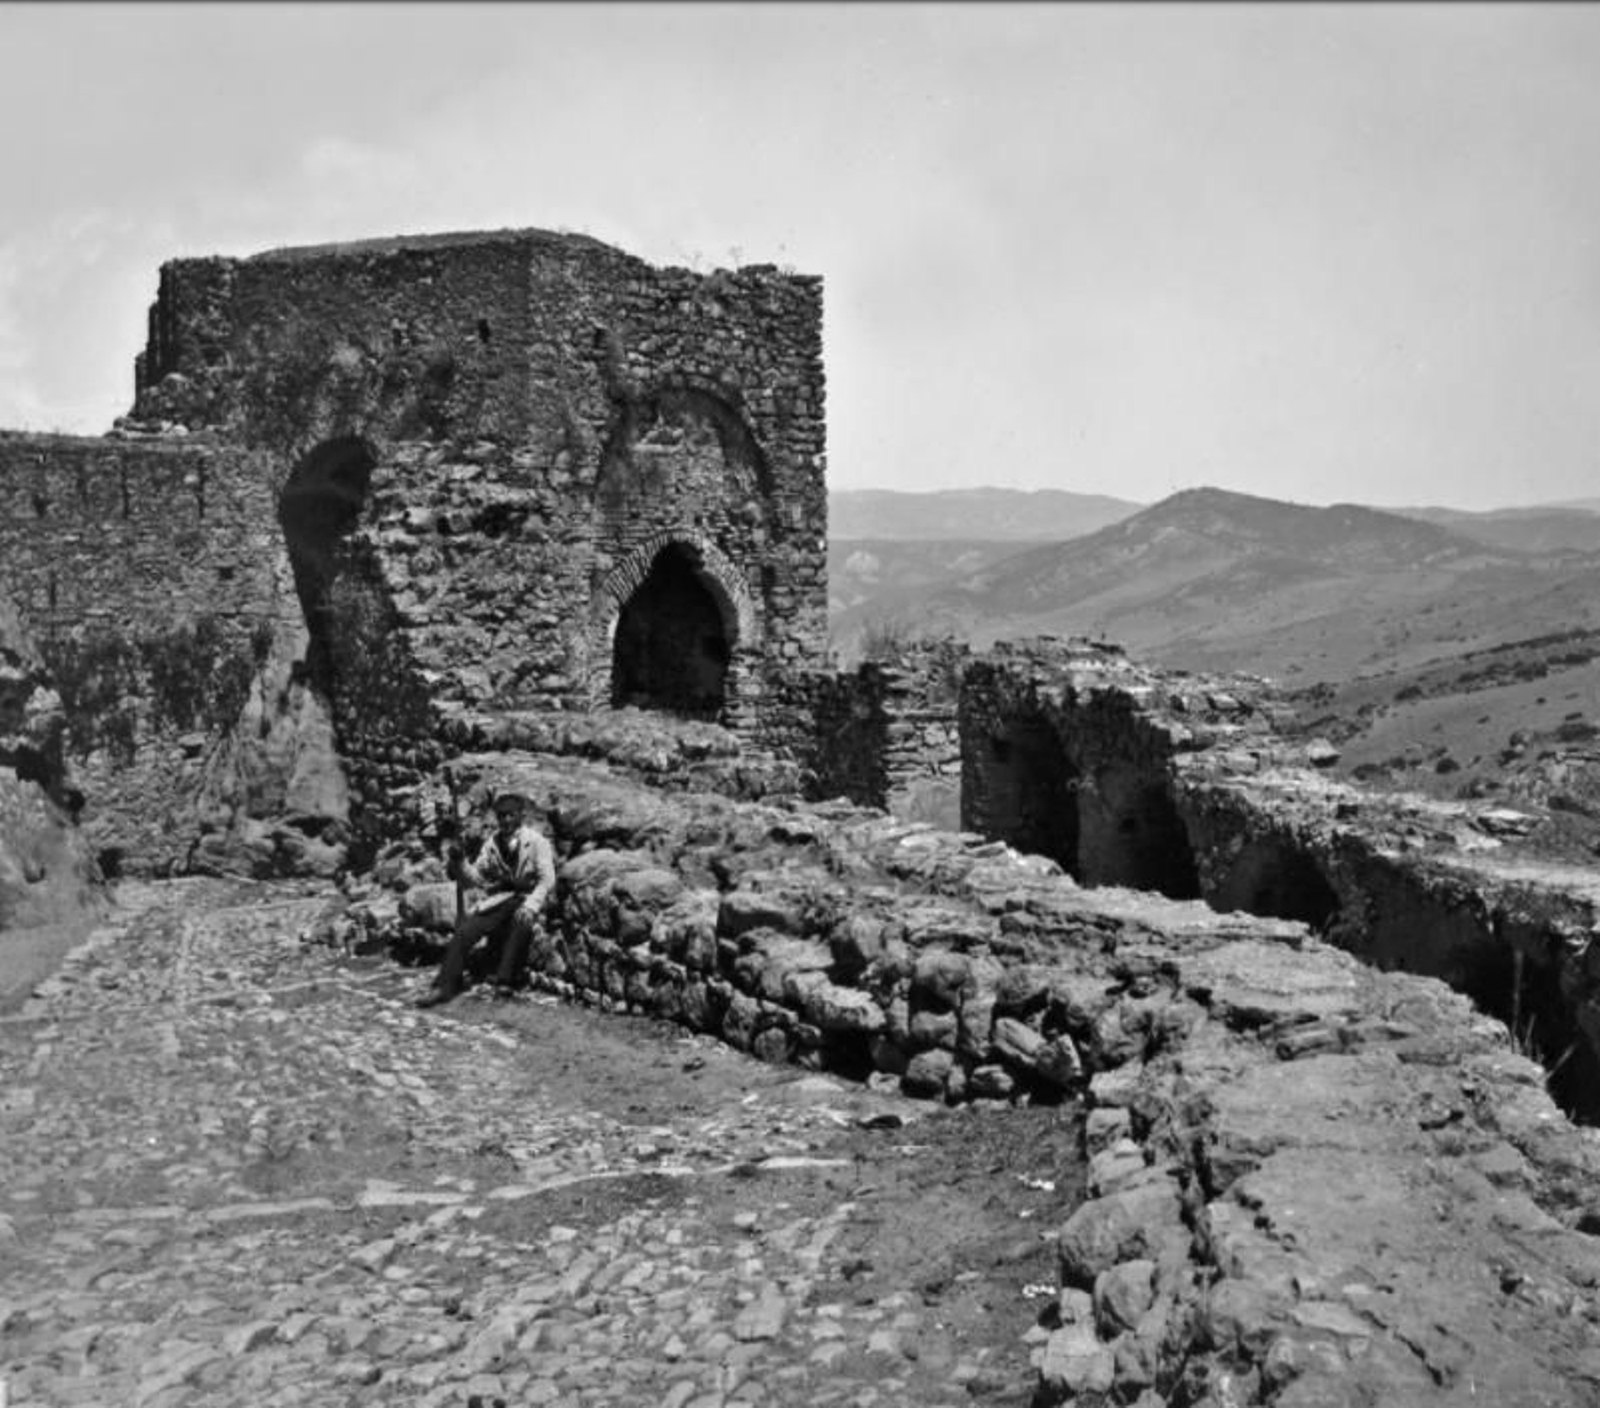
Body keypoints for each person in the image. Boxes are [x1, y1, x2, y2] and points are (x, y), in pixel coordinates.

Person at [417, 790, 556, 1009]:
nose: (506, 820)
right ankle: (444, 986)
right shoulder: (492, 844)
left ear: (520, 816)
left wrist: (531, 905)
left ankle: (504, 981)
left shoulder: (537, 843)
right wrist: (459, 860)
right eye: (502, 816)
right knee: (465, 931)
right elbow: (475, 878)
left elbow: (547, 880)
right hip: (502, 899)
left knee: (522, 922)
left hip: (528, 898)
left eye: (511, 815)